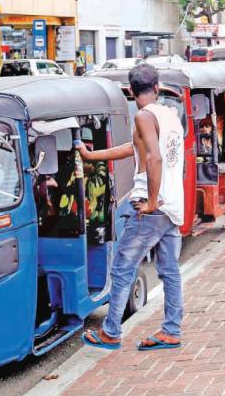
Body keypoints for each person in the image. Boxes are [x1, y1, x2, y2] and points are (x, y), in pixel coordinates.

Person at [77, 63, 186, 351]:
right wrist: (93, 156)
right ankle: (171, 330)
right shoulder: (170, 115)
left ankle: (111, 332)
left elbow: (154, 158)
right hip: (172, 206)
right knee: (170, 271)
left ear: (129, 90)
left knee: (122, 268)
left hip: (151, 208)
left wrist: (150, 200)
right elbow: (135, 148)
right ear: (158, 87)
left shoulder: (143, 116)